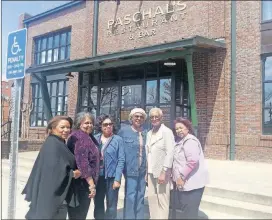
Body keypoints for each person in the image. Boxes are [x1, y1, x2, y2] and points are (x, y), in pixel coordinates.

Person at [22, 116, 81, 219]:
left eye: (68, 127)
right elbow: (53, 171)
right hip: (52, 197)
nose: (66, 130)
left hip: (51, 194)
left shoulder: (58, 142)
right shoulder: (53, 144)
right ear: (53, 128)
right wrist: (72, 174)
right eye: (62, 127)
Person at [172, 117, 209, 219]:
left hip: (192, 184)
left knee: (189, 213)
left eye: (181, 128)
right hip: (186, 183)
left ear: (187, 128)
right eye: (177, 129)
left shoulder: (190, 141)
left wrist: (181, 177)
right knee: (186, 211)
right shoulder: (180, 141)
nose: (179, 130)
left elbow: (192, 161)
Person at [66, 112, 100, 219]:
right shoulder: (80, 137)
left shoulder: (89, 136)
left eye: (91, 123)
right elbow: (83, 163)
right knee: (79, 214)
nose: (89, 125)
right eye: (86, 123)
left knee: (80, 213)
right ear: (79, 124)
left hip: (83, 181)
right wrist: (91, 184)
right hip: (81, 183)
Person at [118, 108, 148, 219]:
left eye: (141, 117)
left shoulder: (146, 132)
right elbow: (118, 150)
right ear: (131, 118)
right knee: (131, 196)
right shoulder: (124, 131)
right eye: (136, 116)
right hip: (130, 170)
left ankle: (139, 217)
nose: (138, 118)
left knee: (140, 195)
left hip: (143, 169)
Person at [94, 114, 125, 219]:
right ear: (100, 126)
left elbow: (121, 160)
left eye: (110, 124)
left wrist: (117, 179)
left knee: (111, 205)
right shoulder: (95, 138)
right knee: (98, 203)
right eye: (105, 124)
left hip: (111, 177)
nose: (108, 126)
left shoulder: (118, 139)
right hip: (98, 177)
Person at [146, 107, 175, 219]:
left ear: (161, 118)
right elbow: (148, 154)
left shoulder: (167, 132)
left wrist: (164, 171)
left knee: (162, 199)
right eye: (152, 117)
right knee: (152, 198)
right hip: (150, 171)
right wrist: (146, 173)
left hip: (161, 171)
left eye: (156, 116)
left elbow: (170, 153)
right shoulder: (149, 133)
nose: (154, 119)